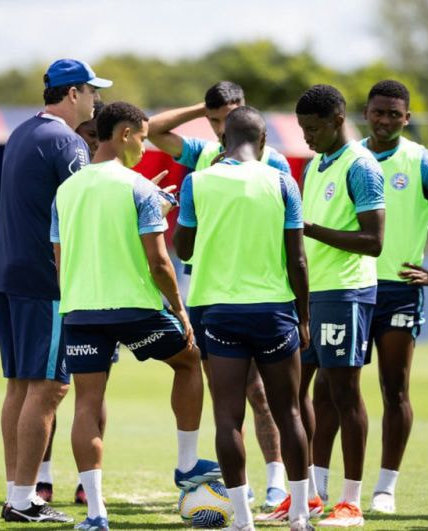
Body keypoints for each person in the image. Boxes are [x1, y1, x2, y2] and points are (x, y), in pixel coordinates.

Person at [51, 101, 218, 531]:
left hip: (81, 310)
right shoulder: (139, 188)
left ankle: (95, 514)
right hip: (136, 309)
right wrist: (179, 309)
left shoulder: (66, 190)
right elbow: (160, 263)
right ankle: (186, 465)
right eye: (143, 137)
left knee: (86, 402)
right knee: (188, 360)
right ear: (125, 133)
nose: (146, 146)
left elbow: (59, 257)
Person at [149, 80, 290, 510]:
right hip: (211, 290)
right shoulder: (206, 155)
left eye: (224, 118)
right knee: (227, 394)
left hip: (260, 291)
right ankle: (240, 485)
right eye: (212, 120)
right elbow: (152, 129)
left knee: (263, 396)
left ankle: (278, 479)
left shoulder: (274, 161)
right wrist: (202, 109)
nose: (217, 127)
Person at [173, 106, 313, 531]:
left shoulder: (197, 182)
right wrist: (303, 319)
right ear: (264, 140)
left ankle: (243, 522)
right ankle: (301, 517)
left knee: (227, 417)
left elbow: (184, 250)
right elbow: (298, 259)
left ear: (222, 142)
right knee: (288, 412)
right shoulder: (283, 182)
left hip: (217, 312)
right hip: (274, 311)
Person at [307, 80, 428, 514]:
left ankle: (384, 486)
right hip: (347, 287)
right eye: (378, 112)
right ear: (363, 113)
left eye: (394, 114)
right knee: (329, 387)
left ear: (407, 118)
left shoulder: (421, 163)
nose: (385, 121)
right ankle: (318, 485)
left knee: (394, 389)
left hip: (398, 291)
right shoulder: (340, 158)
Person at [0, 58, 112, 523]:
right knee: (51, 386)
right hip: (45, 279)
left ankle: (18, 492)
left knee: (21, 386)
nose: (96, 100)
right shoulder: (66, 141)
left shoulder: (22, 131)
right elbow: (89, 211)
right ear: (73, 93)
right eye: (91, 91)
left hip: (8, 273)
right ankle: (22, 500)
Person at [263, 84, 386, 527]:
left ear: (338, 121)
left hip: (347, 294)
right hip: (311, 296)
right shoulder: (315, 165)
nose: (307, 137)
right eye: (302, 129)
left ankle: (351, 500)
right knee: (297, 392)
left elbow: (374, 242)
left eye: (313, 129)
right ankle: (311, 495)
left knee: (344, 394)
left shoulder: (362, 167)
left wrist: (309, 230)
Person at [37, 100, 111, 506]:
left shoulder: (113, 180)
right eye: (88, 136)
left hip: (101, 295)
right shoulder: (67, 179)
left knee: (92, 394)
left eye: (100, 137)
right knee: (50, 387)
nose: (93, 145)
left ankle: (88, 481)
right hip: (66, 295)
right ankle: (43, 477)